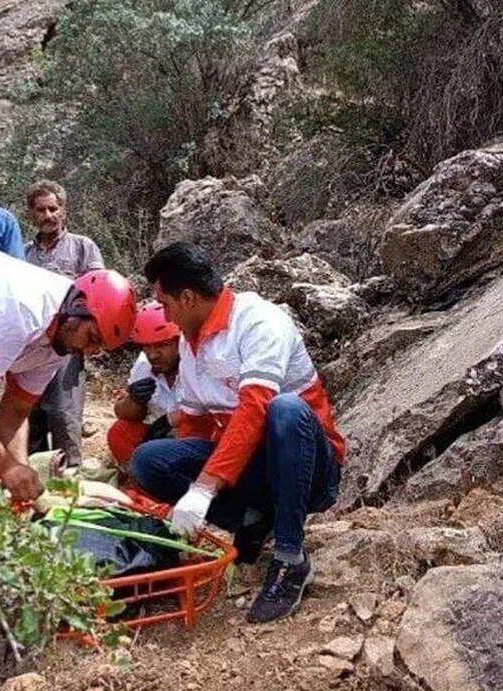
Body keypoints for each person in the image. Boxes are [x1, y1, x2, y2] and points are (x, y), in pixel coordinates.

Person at [130, 242, 345, 624]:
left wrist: (203, 489)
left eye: (165, 304)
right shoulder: (189, 343)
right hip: (255, 469)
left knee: (285, 408)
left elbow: (255, 409)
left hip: (307, 467)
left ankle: (291, 557)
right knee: (148, 461)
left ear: (187, 297)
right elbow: (195, 425)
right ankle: (250, 520)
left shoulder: (259, 322)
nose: (164, 314)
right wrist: (183, 504)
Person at [0, 243, 137, 502]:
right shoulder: (23, 309)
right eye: (92, 337)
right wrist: (6, 468)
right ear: (77, 305)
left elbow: (16, 409)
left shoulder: (60, 342)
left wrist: (21, 473)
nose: (88, 351)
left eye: (99, 348)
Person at [23, 180, 105, 467]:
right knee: (30, 420)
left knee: (64, 417)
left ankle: (70, 492)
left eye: (53, 208)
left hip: (67, 348)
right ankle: (33, 493)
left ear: (63, 210)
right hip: (30, 347)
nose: (48, 215)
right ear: (31, 214)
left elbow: (99, 294)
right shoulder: (23, 254)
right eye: (41, 210)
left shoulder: (83, 247)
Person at [107, 302, 181, 467]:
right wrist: (134, 401)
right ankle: (140, 481)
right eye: (147, 347)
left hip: (191, 436)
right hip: (155, 438)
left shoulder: (197, 364)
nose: (152, 355)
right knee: (119, 432)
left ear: (178, 342)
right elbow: (123, 412)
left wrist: (169, 423)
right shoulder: (143, 365)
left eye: (161, 345)